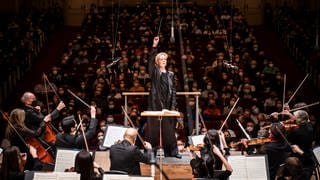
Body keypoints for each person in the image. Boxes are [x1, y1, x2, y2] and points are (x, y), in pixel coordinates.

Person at [146, 36, 181, 158]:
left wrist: (173, 107)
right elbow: (150, 60)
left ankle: (172, 152)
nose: (164, 61)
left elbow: (174, 91)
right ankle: (151, 152)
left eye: (165, 59)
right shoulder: (154, 72)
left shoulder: (171, 74)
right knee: (153, 130)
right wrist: (154, 46)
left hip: (168, 105)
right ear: (157, 62)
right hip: (155, 105)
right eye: (161, 59)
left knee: (169, 131)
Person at [287, 110, 315, 179]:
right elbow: (304, 119)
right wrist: (291, 116)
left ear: (298, 119)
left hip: (301, 159)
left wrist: (288, 131)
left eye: (295, 117)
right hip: (309, 153)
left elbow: (288, 141)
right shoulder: (310, 126)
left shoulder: (295, 131)